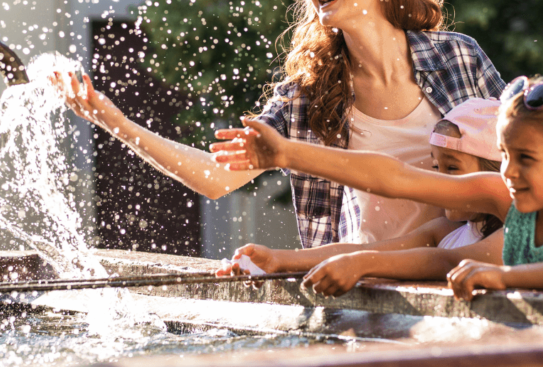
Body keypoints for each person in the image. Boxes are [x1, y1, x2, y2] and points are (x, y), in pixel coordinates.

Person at [53, 0, 505, 248]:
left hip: (463, 276)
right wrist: (116, 123)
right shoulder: (309, 92)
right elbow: (216, 178)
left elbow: (519, 163)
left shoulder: (457, 57)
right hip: (365, 291)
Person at [212, 53, 543, 299]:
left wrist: (504, 277)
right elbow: (395, 178)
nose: (510, 172)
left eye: (525, 159)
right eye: (504, 155)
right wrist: (287, 153)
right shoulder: (508, 197)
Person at [216, 99, 508, 296]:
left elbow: (446, 262)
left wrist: (361, 264)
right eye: (436, 167)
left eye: (453, 168)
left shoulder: (511, 217)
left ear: (494, 169)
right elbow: (385, 247)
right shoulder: (449, 230)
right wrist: (279, 260)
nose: (439, 179)